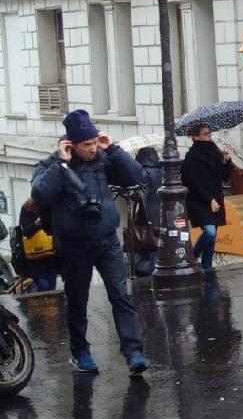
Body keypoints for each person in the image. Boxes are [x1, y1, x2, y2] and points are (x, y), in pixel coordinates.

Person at [31, 110, 150, 375]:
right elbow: (40, 195)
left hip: (107, 241)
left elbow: (136, 177)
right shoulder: (51, 165)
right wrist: (61, 165)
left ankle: (134, 353)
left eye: (95, 142)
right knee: (77, 301)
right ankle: (81, 353)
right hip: (74, 246)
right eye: (87, 144)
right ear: (70, 144)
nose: (93, 148)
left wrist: (114, 149)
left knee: (120, 295)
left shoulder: (103, 159)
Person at [181, 125, 233, 272]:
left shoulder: (214, 152)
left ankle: (207, 268)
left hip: (215, 198)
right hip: (199, 200)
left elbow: (224, 176)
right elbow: (192, 183)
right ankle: (192, 256)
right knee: (209, 232)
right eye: (205, 134)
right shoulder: (191, 157)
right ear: (195, 137)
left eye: (209, 133)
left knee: (212, 237)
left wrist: (226, 160)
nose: (209, 135)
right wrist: (209, 200)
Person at [131, 147, 163, 278]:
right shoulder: (162, 171)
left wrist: (133, 193)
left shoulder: (143, 173)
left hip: (147, 213)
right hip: (162, 212)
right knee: (158, 241)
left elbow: (142, 195)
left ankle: (146, 270)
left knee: (146, 241)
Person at [17, 198, 58, 292]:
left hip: (50, 257)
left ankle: (42, 300)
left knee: (51, 288)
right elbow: (27, 232)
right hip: (35, 260)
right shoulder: (27, 209)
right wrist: (38, 223)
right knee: (44, 287)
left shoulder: (49, 207)